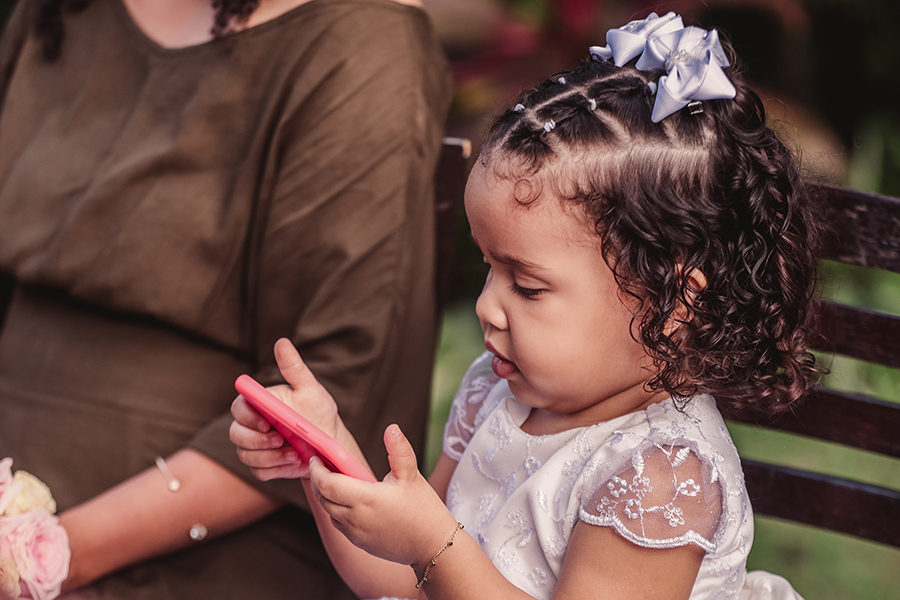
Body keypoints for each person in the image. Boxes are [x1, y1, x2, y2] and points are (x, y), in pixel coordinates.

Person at [231, 12, 821, 600]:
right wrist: (326, 447)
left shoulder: (659, 476)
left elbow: (430, 558)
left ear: (671, 304)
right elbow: (401, 579)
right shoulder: (495, 392)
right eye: (489, 268)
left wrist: (434, 543)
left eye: (528, 287)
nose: (487, 307)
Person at [0, 0, 451, 597]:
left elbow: (333, 384)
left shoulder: (360, 39)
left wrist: (42, 555)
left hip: (190, 545)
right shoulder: (65, 12)